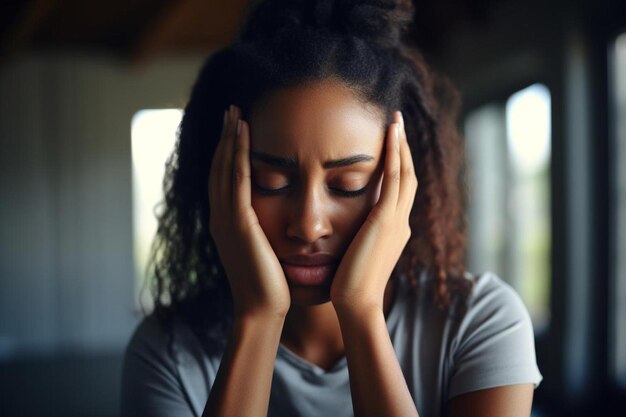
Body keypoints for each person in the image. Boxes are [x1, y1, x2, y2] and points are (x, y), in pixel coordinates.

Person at [121, 0, 543, 416]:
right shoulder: (169, 354)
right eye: (272, 182)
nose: (309, 224)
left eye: (347, 185)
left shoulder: (480, 325)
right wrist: (258, 318)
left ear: (402, 184)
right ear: (221, 181)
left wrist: (361, 311)